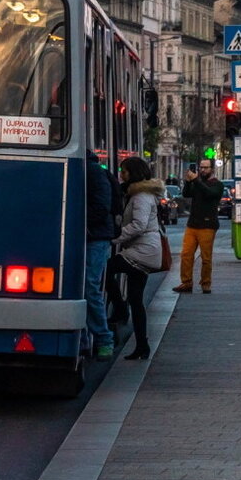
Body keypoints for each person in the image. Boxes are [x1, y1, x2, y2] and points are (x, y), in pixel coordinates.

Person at [106, 156, 163, 360]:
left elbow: (138, 225)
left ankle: (120, 309)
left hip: (143, 251)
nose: (121, 174)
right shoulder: (139, 195)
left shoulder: (141, 197)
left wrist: (114, 238)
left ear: (133, 173)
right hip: (144, 250)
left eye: (124, 171)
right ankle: (142, 345)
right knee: (136, 300)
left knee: (107, 270)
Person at [174, 158, 225, 294]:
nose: (202, 170)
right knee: (186, 254)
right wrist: (188, 181)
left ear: (212, 169)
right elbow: (186, 194)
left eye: (205, 167)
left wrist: (196, 180)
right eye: (201, 167)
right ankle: (186, 282)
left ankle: (206, 283)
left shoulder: (217, 185)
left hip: (208, 224)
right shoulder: (198, 183)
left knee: (206, 257)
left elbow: (210, 194)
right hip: (192, 224)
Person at [83, 150, 115, 361]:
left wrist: (82, 222)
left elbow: (102, 207)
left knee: (89, 285)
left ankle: (104, 338)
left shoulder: (94, 173)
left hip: (96, 237)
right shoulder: (93, 171)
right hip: (92, 235)